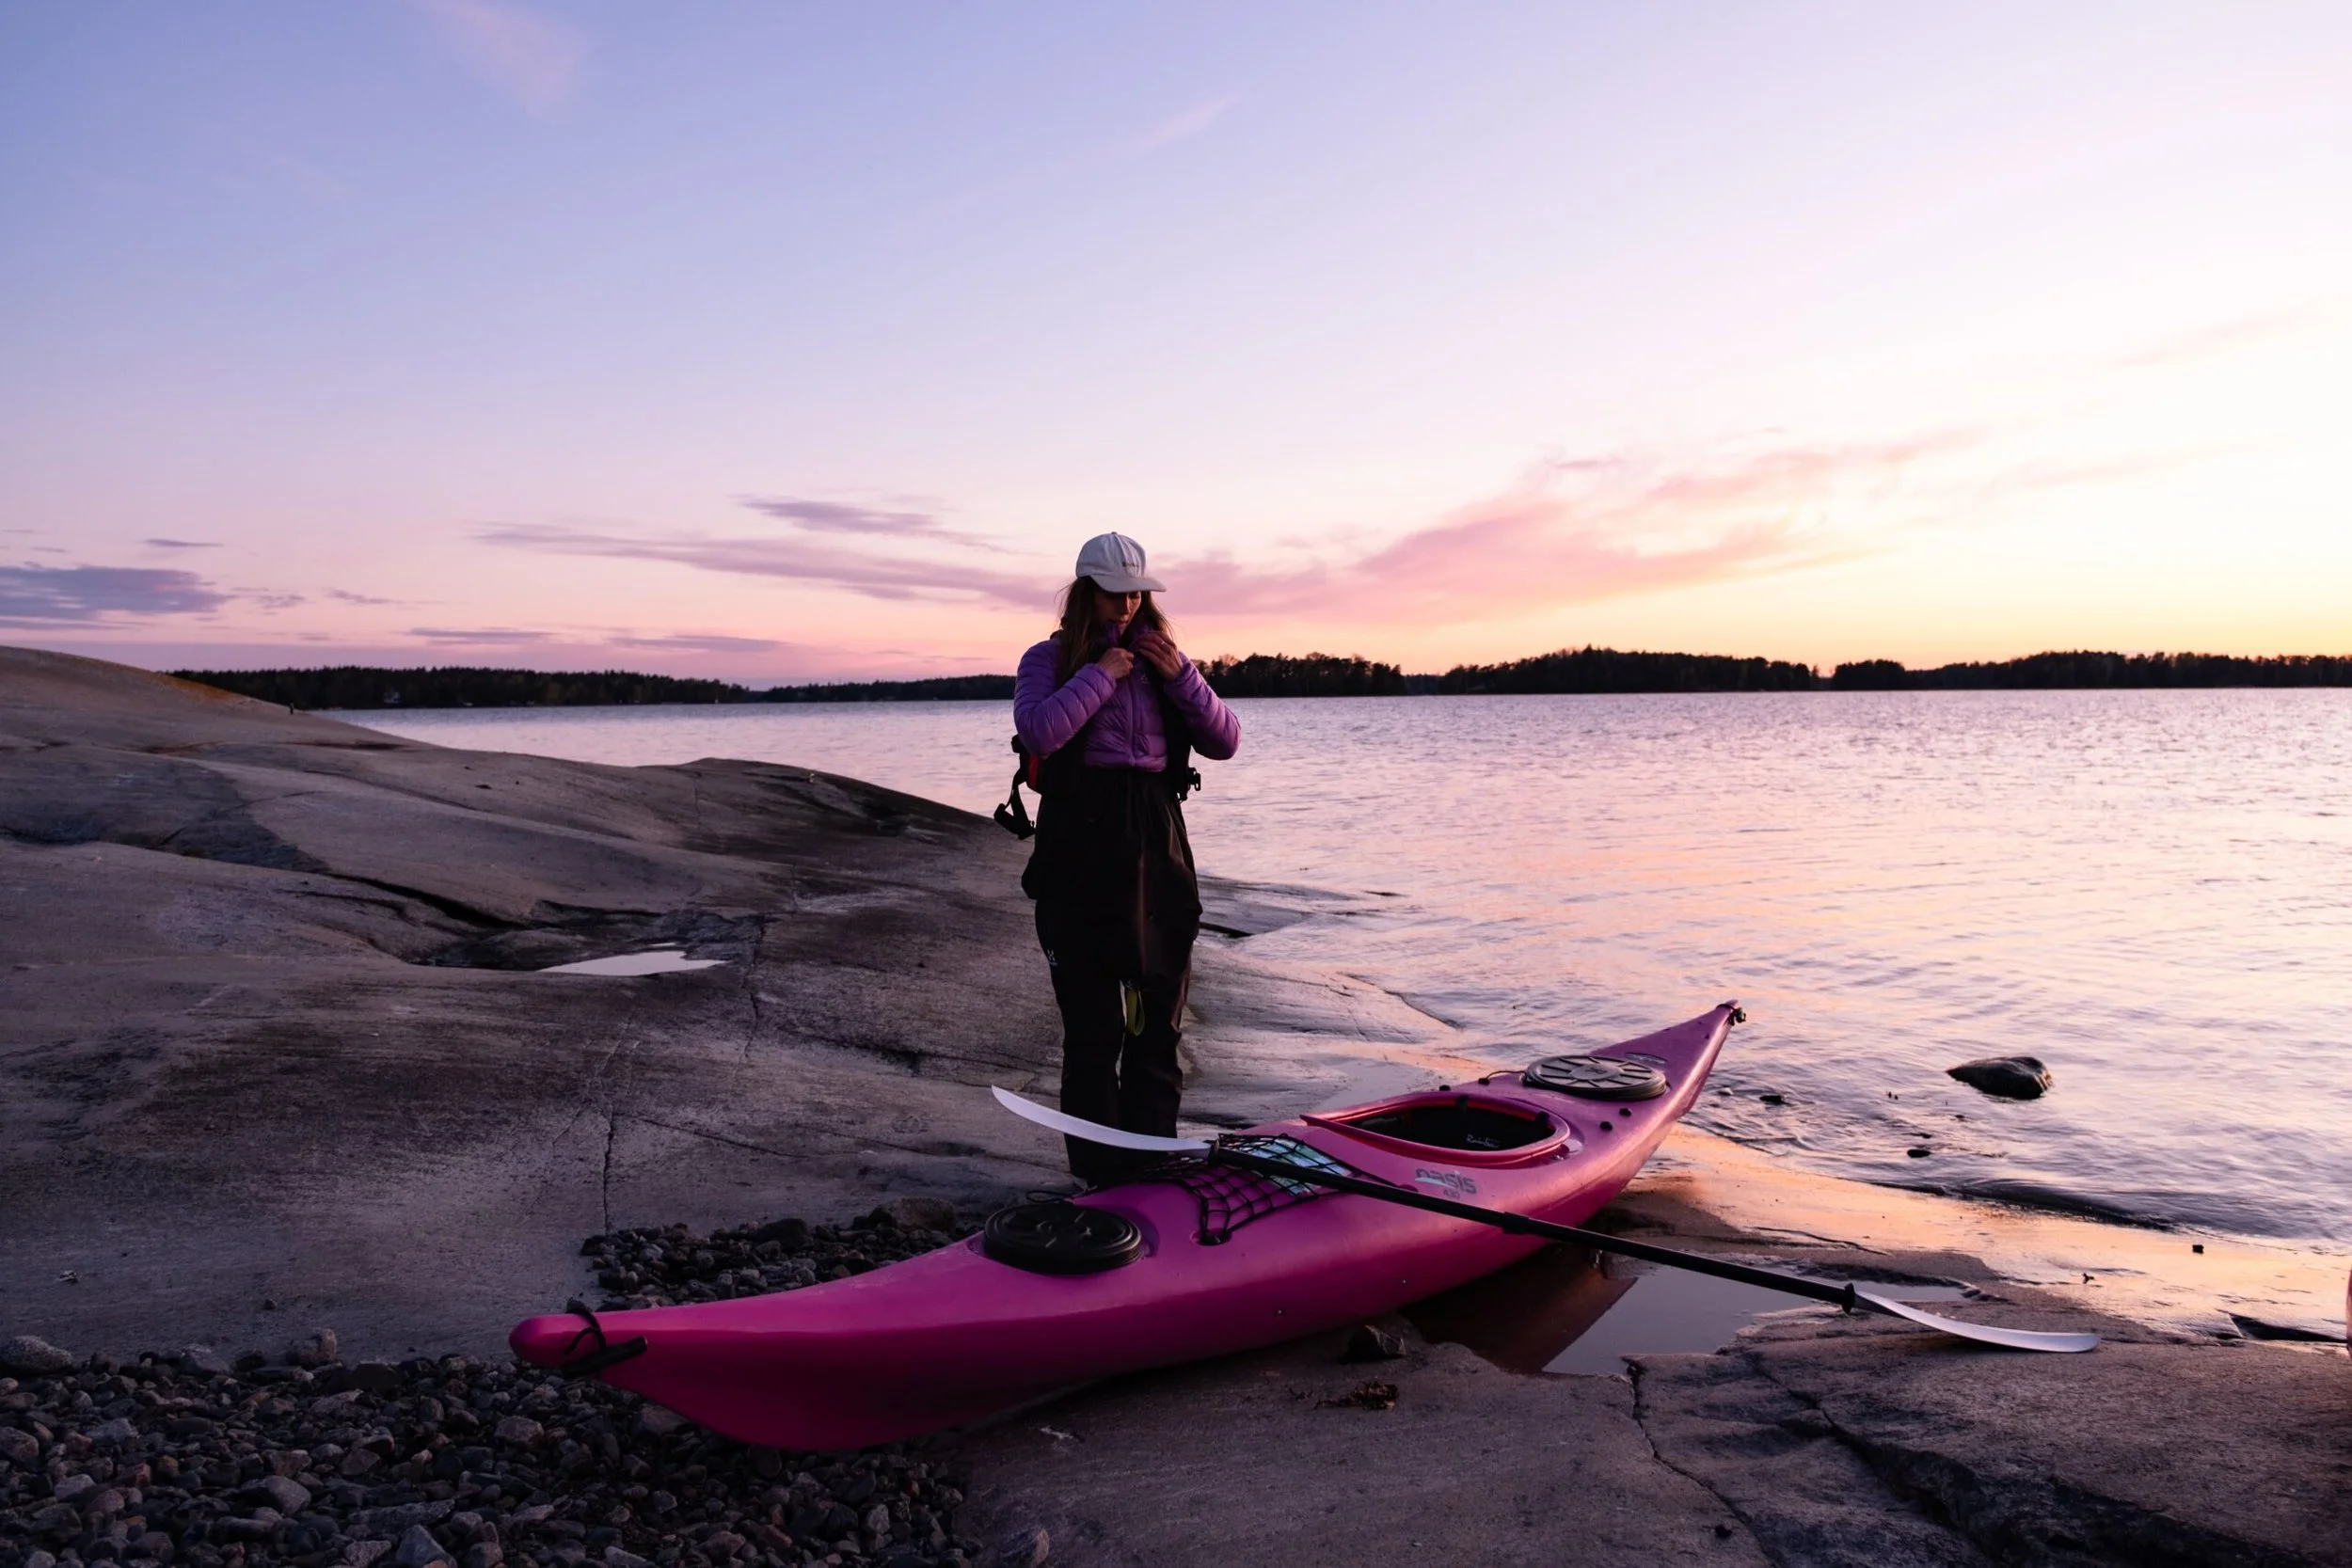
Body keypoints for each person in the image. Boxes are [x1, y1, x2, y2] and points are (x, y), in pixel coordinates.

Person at [1012, 532, 1241, 1183]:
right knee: (1094, 1029)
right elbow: (1039, 731)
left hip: (1157, 843)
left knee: (1158, 1025)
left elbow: (1225, 740)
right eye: (1115, 594)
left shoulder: (1165, 658)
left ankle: (1153, 1168)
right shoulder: (1047, 659)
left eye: (1137, 593)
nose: (1127, 606)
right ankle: (1097, 1178)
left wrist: (1181, 675)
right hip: (1079, 845)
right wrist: (1099, 673)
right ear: (1087, 593)